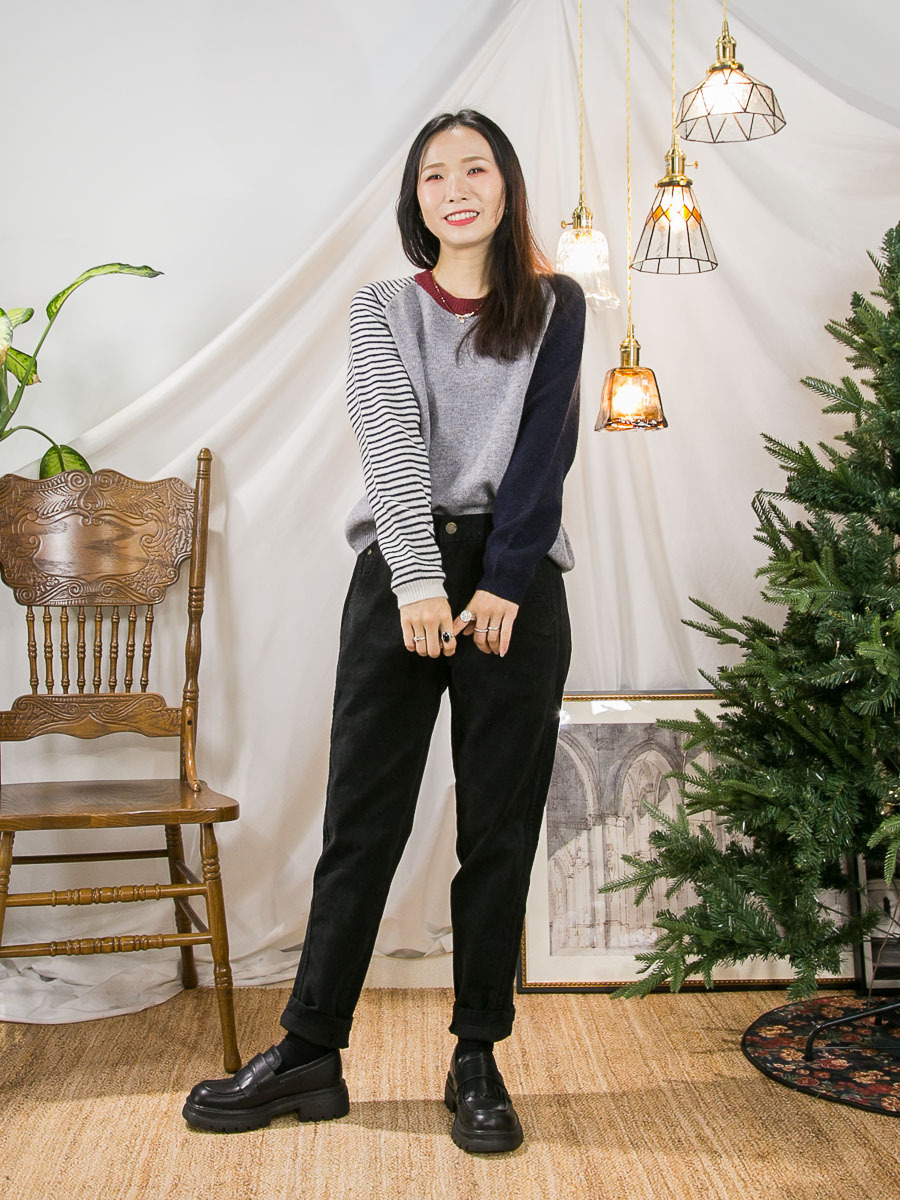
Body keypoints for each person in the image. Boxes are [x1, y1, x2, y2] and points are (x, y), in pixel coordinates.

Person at [183, 109, 586, 1154]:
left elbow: (543, 452)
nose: (457, 189)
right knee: (363, 819)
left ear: (507, 187)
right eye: (435, 175)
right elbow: (391, 440)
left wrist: (503, 582)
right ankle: (309, 1049)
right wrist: (418, 580)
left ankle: (477, 1056)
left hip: (516, 585)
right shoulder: (382, 308)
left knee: (497, 828)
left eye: (476, 170)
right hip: (402, 577)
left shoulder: (556, 305)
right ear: (416, 198)